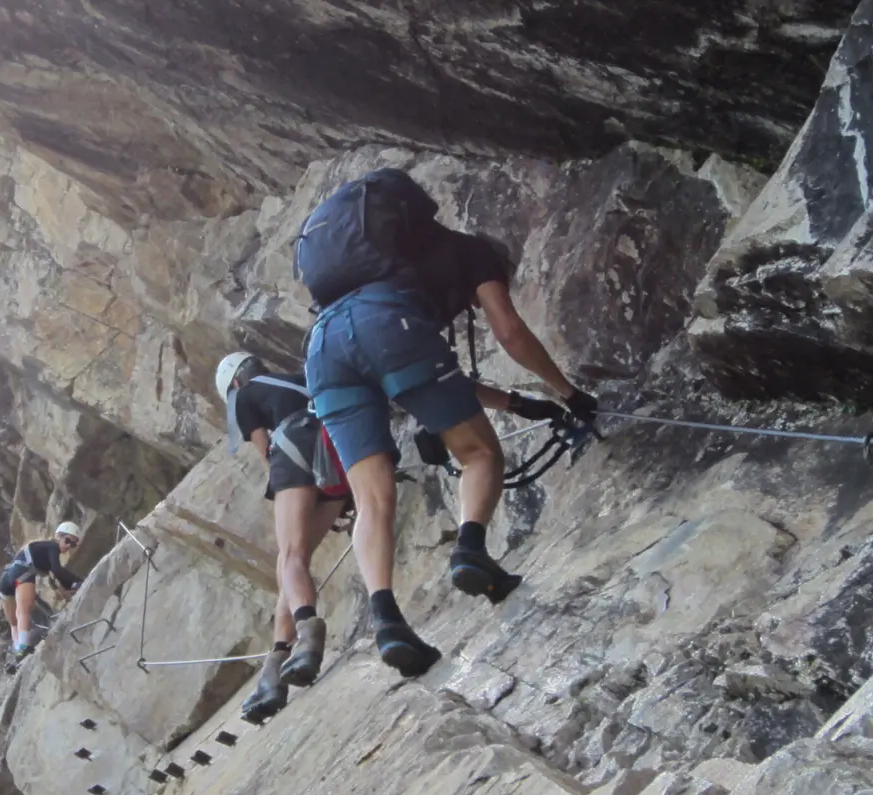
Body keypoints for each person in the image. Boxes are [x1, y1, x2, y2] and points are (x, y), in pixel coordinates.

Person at [300, 168, 595, 677]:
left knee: (372, 499)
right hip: (387, 328)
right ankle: (471, 552)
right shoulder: (475, 253)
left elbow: (438, 379)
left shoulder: (390, 267)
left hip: (322, 348)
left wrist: (520, 405)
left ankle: (388, 620)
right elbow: (509, 333)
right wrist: (568, 393)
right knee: (479, 453)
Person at [215, 351, 352, 722]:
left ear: (234, 382)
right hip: (337, 446)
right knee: (291, 566)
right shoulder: (296, 377)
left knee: (291, 556)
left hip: (294, 447)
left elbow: (267, 452)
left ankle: (308, 637)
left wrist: (288, 487)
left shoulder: (243, 396)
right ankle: (274, 668)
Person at [0, 522, 85, 659]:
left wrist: (68, 587)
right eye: (67, 540)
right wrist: (78, 582)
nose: (68, 546)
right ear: (58, 536)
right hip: (22, 573)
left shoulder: (39, 549)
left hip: (6, 579)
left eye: (72, 545)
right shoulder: (52, 546)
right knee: (23, 611)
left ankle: (18, 652)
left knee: (14, 622)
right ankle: (23, 647)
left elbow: (56, 576)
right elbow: (57, 570)